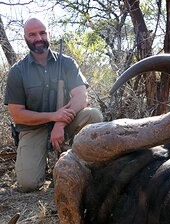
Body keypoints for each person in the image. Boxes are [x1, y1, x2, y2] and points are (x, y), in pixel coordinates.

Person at [4, 17, 103, 192]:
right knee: (28, 184)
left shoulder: (66, 62)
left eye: (42, 33)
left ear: (49, 33)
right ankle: (44, 167)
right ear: (25, 38)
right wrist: (52, 116)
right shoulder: (17, 71)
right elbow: (17, 114)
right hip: (33, 128)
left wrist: (60, 122)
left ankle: (85, 164)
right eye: (32, 34)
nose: (38, 38)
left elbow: (81, 96)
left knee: (93, 115)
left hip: (65, 122)